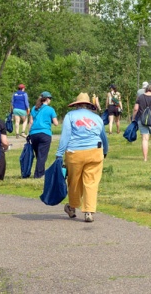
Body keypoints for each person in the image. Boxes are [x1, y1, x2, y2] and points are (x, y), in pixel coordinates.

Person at [56, 92, 109, 223]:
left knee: (74, 181)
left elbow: (66, 136)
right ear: (88, 105)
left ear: (76, 105)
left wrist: (59, 153)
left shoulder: (70, 116)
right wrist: (105, 151)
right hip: (95, 151)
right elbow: (103, 137)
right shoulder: (97, 118)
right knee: (91, 182)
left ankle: (72, 207)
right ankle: (89, 212)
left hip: (75, 153)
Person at [28, 91, 59, 179]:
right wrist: (51, 120)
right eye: (50, 98)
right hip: (44, 133)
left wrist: (28, 133)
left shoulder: (34, 108)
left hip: (34, 134)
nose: (50, 100)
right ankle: (39, 175)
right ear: (47, 99)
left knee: (39, 155)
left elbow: (31, 122)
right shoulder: (50, 109)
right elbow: (56, 123)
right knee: (42, 156)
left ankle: (40, 172)